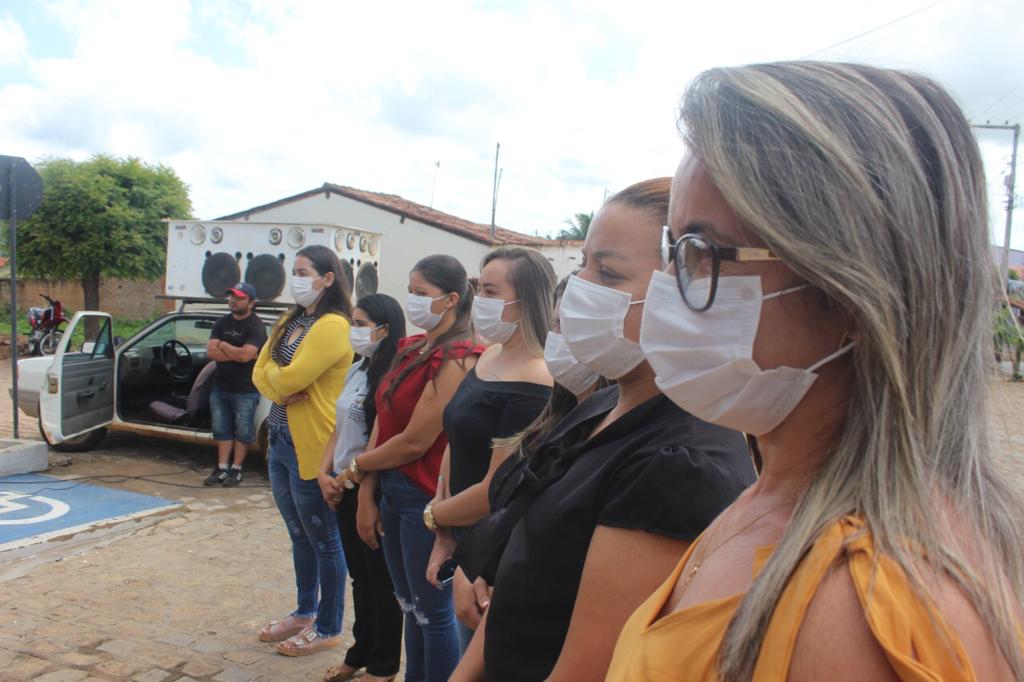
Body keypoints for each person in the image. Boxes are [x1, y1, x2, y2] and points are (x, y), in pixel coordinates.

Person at [608, 62, 1024, 681]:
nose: (667, 287)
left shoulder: (857, 613)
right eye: (673, 250)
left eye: (700, 253)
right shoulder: (781, 491)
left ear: (852, 295)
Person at [450, 179, 756, 681]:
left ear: (692, 294)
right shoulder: (604, 403)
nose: (580, 288)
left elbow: (585, 669)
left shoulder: (677, 467)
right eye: (584, 264)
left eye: (608, 273)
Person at [344, 254, 485, 682]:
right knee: (408, 606)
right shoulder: (410, 348)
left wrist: (355, 467)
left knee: (432, 613)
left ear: (451, 299)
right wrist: (366, 490)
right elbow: (383, 421)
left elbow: (416, 441)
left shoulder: (460, 357)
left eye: (421, 293)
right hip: (390, 488)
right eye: (410, 291)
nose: (412, 301)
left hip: (422, 495)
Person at [423, 247, 556, 649]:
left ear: (526, 301)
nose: (479, 300)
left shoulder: (535, 381)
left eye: (492, 292)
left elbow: (494, 490)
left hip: (494, 553)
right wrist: (445, 532)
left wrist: (433, 515)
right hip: (463, 534)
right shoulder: (491, 355)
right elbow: (456, 436)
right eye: (479, 289)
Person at [252, 245, 354, 657]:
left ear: (328, 279)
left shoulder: (333, 326)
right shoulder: (289, 320)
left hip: (311, 443)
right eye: (293, 270)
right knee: (299, 534)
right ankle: (304, 611)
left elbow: (290, 377)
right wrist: (279, 384)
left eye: (303, 271)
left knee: (324, 539)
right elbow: (259, 370)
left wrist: (277, 379)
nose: (295, 278)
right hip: (279, 438)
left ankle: (328, 626)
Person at [318, 294, 406, 682]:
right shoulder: (357, 369)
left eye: (360, 324)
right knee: (360, 578)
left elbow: (380, 442)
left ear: (384, 330)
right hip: (342, 485)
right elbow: (338, 429)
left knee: (380, 581)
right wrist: (324, 473)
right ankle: (360, 652)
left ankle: (384, 666)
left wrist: (349, 480)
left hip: (371, 487)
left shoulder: (393, 377)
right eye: (352, 322)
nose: (353, 331)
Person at [202, 282, 267, 487]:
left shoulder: (256, 326)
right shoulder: (221, 323)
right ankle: (222, 468)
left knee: (243, 432)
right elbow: (211, 352)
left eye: (239, 298)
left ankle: (236, 469)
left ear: (251, 302)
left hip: (246, 389)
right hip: (221, 386)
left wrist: (222, 344)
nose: (233, 300)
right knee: (221, 429)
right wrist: (237, 352)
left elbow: (245, 356)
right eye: (231, 296)